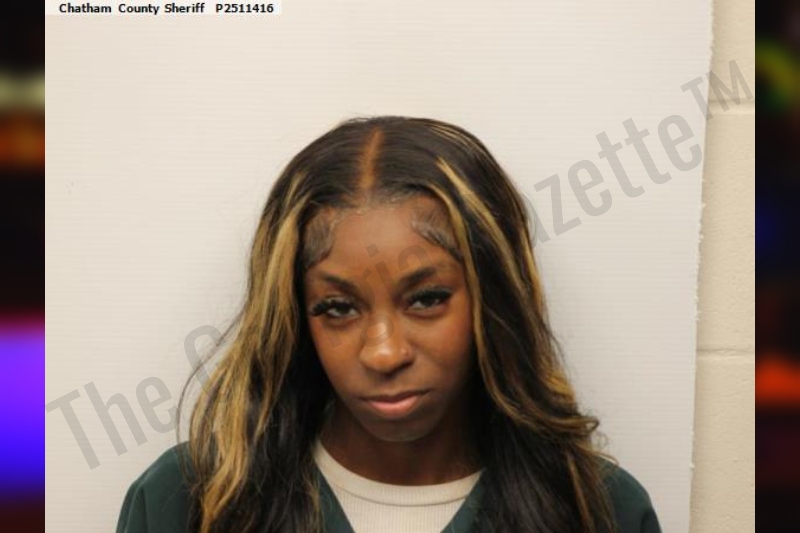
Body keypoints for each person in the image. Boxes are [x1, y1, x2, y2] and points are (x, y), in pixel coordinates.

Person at [116, 116, 662, 533]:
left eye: (426, 299)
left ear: (494, 301)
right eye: (337, 308)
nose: (384, 352)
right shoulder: (187, 501)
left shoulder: (598, 508)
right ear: (294, 318)